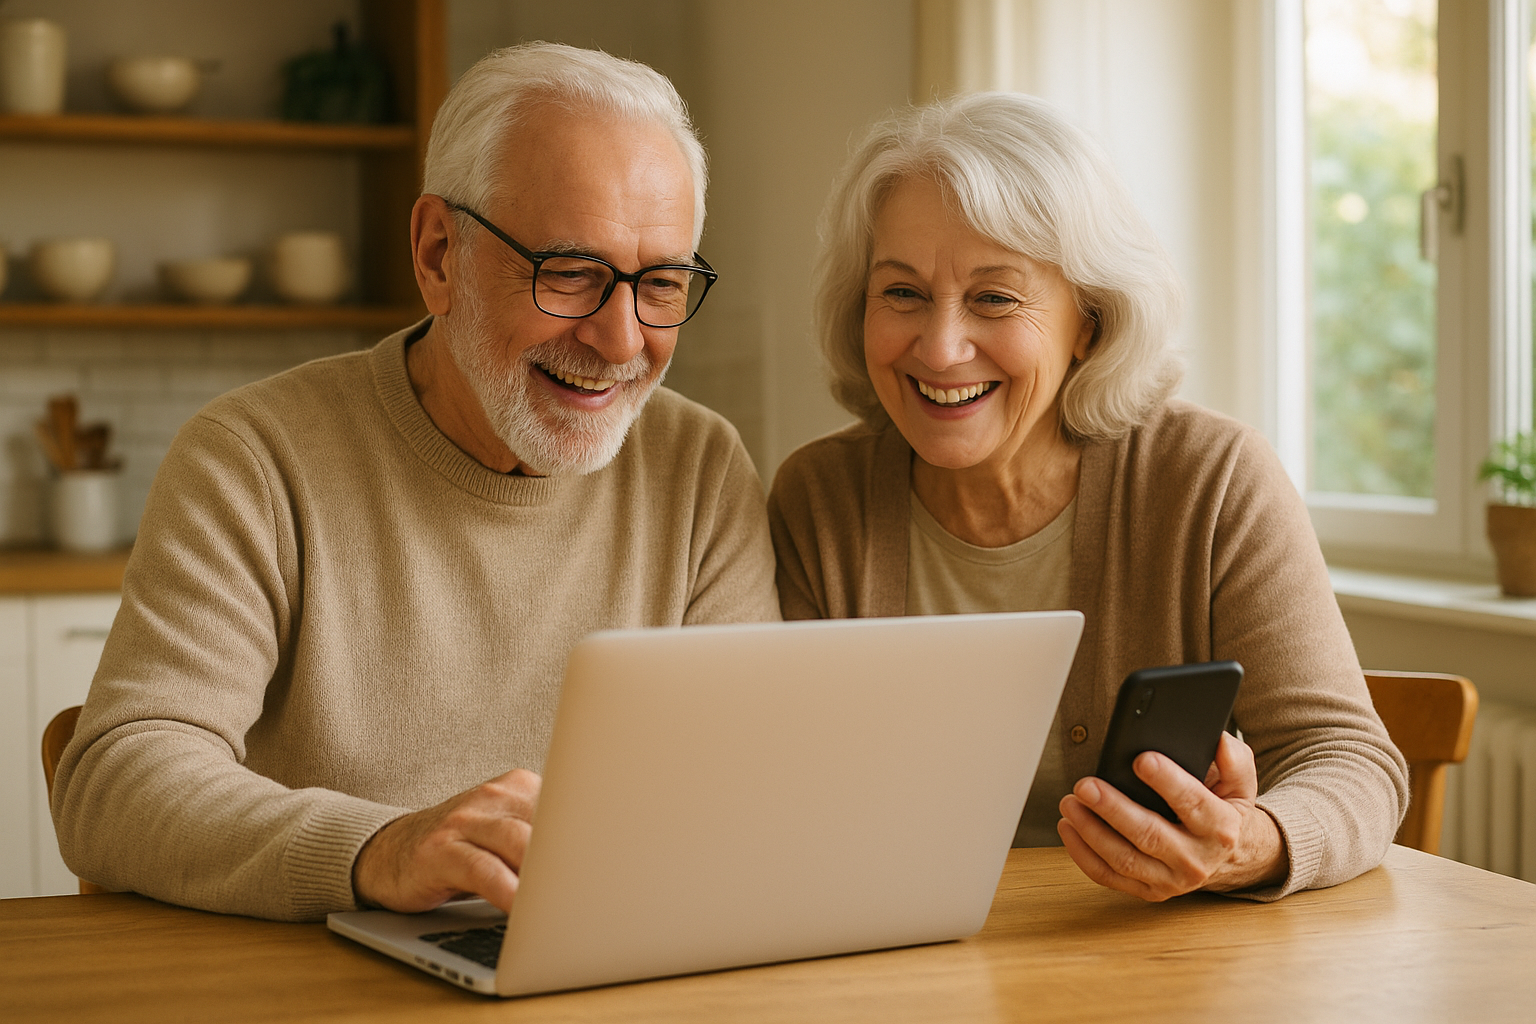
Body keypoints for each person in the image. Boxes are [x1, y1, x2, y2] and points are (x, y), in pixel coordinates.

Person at [51, 43, 779, 922]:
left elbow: (743, 785)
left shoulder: (700, 470)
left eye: (659, 283)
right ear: (439, 254)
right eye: (570, 274)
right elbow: (115, 783)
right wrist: (376, 849)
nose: (622, 340)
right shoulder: (254, 459)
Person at [767, 92, 1408, 902]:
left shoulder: (1210, 479)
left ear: (1091, 325)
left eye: (995, 298)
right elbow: (780, 797)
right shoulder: (816, 500)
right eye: (901, 293)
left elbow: (1351, 763)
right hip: (900, 963)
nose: (940, 345)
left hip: (1152, 964)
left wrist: (1248, 842)